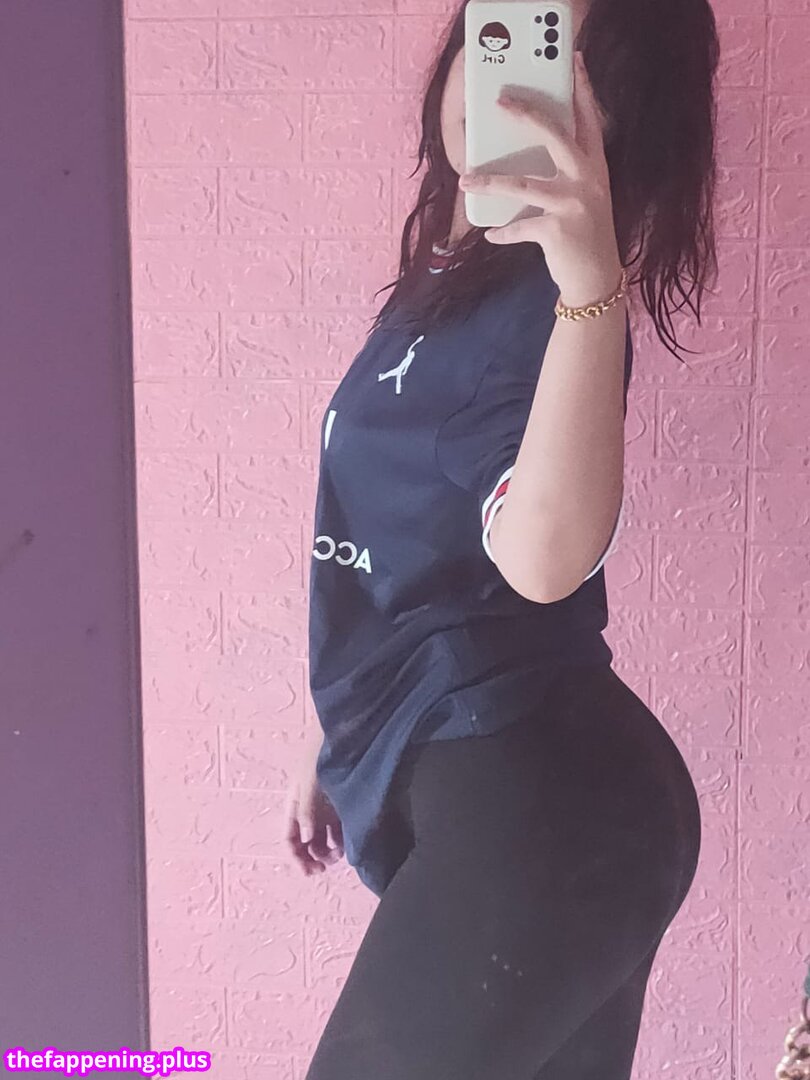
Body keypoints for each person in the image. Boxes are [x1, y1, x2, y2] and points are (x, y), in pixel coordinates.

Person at [284, 0, 719, 1075]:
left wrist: (591, 287)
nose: (510, 85)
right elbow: (411, 544)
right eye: (499, 38)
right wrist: (346, 732)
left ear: (622, 117)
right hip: (518, 775)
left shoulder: (554, 306)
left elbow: (541, 560)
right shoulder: (447, 285)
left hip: (543, 794)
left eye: (563, 62)